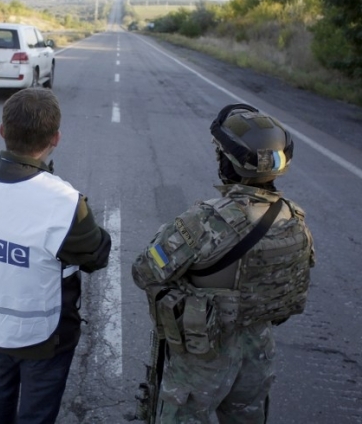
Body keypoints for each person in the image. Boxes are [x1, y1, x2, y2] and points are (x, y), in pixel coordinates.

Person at [132, 103, 316, 423]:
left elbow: (144, 270)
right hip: (257, 352)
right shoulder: (294, 219)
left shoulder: (207, 220)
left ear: (227, 162)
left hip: (202, 355)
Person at [0, 88, 112, 424]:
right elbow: (96, 255)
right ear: (56, 138)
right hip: (42, 334)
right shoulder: (62, 202)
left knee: (0, 385)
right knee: (36, 410)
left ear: (2, 131)